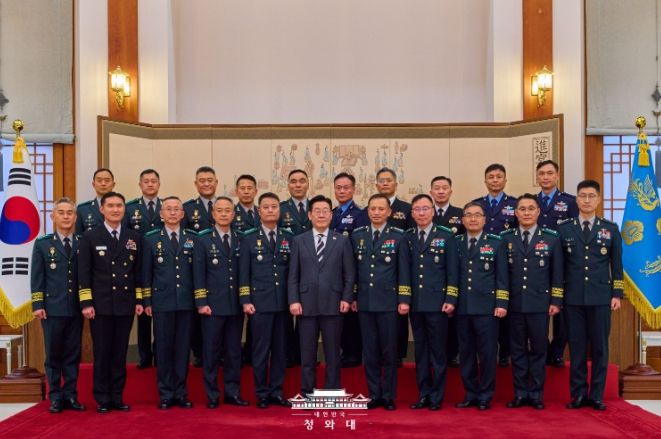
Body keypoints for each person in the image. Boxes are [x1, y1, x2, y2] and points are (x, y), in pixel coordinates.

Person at [558, 180, 623, 411]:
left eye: (591, 196)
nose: (586, 200)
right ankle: (578, 394)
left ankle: (596, 395)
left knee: (599, 348)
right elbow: (559, 267)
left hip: (601, 297)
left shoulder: (610, 228)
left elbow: (616, 264)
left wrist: (617, 293)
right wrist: (558, 296)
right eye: (582, 196)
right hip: (573, 297)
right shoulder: (564, 228)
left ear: (598, 200)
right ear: (576, 200)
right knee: (576, 347)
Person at [78, 191, 143, 413]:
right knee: (103, 353)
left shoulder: (134, 237)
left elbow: (138, 272)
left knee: (119, 353)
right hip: (101, 305)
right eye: (111, 206)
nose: (115, 209)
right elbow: (84, 273)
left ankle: (117, 396)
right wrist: (86, 302)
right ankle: (102, 398)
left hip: (125, 304)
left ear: (125, 209)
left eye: (119, 206)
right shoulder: (90, 237)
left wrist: (139, 299)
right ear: (102, 209)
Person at [501, 194, 563, 410]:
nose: (526, 213)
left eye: (530, 209)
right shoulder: (505, 238)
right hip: (514, 304)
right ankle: (520, 393)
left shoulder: (551, 239)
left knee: (538, 349)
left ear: (538, 212)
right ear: (515, 213)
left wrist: (556, 300)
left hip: (540, 304)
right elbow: (502, 275)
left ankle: (536, 393)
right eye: (522, 209)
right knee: (517, 350)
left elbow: (557, 274)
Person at [288, 195, 356, 395]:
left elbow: (349, 274)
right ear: (310, 215)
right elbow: (293, 275)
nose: (321, 214)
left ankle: (331, 393)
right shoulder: (299, 240)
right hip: (306, 305)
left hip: (334, 305)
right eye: (317, 211)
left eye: (325, 210)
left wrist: (346, 298)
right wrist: (293, 300)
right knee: (307, 355)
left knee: (333, 355)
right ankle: (307, 392)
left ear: (331, 215)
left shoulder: (341, 240)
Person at [352, 194, 411, 411]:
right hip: (365, 302)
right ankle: (374, 394)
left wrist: (404, 299)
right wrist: (353, 297)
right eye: (373, 209)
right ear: (368, 211)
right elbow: (354, 271)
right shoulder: (357, 235)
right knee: (370, 352)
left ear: (389, 212)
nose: (376, 212)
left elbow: (404, 271)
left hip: (389, 303)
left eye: (381, 209)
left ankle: (388, 396)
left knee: (389, 351)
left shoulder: (399, 236)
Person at [193, 196, 249, 409]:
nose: (224, 214)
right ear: (213, 214)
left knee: (234, 352)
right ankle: (212, 395)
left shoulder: (241, 238)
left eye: (228, 210)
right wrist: (201, 302)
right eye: (220, 210)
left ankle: (232, 393)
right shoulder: (203, 239)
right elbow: (199, 274)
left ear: (233, 214)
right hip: (212, 307)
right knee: (211, 352)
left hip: (235, 305)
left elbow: (244, 272)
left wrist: (245, 300)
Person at [31, 197, 85, 413]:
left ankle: (70, 395)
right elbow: (37, 276)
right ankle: (55, 396)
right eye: (61, 213)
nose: (65, 216)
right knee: (53, 355)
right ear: (53, 217)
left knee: (73, 354)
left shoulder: (82, 242)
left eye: (69, 213)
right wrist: (38, 304)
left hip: (76, 308)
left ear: (75, 217)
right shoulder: (43, 244)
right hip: (52, 308)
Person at [239, 192, 293, 408]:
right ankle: (261, 393)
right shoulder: (248, 237)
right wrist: (246, 299)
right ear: (259, 211)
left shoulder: (289, 237)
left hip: (283, 304)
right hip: (259, 304)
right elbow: (244, 272)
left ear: (280, 210)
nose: (270, 210)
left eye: (274, 207)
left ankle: (277, 391)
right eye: (266, 207)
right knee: (260, 351)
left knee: (281, 351)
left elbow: (293, 272)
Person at [141, 196, 195, 409]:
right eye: (168, 209)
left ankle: (180, 393)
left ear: (182, 214)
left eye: (176, 209)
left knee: (183, 349)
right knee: (163, 349)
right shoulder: (151, 239)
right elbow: (146, 273)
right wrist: (147, 300)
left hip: (186, 302)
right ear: (161, 214)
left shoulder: (192, 238)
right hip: (161, 302)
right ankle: (165, 394)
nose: (173, 213)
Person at [454, 202, 508, 411]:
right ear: (463, 220)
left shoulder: (496, 242)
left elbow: (502, 276)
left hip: (487, 308)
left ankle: (485, 394)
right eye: (468, 215)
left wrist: (501, 303)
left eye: (477, 215)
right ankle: (470, 393)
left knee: (487, 353)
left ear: (485, 220)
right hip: (462, 308)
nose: (473, 219)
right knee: (466, 353)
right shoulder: (455, 242)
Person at [406, 194, 458, 411]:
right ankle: (424, 393)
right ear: (412, 213)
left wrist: (451, 298)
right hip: (416, 304)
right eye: (417, 209)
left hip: (438, 303)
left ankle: (437, 396)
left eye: (425, 209)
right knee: (421, 351)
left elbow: (453, 271)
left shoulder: (446, 235)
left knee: (438, 352)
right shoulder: (407, 236)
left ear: (433, 211)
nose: (421, 213)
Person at [473, 163, 517, 368]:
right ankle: (482, 352)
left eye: (499, 176)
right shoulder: (477, 204)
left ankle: (504, 352)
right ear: (485, 181)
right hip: (480, 267)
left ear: (505, 180)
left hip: (508, 264)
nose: (495, 180)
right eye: (491, 177)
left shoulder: (514, 204)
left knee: (504, 309)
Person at [535, 160, 578, 368]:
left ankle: (557, 351)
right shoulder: (530, 201)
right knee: (537, 312)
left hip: (563, 263)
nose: (545, 177)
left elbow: (575, 232)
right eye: (541, 173)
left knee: (562, 311)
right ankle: (541, 349)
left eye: (550, 173)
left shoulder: (569, 201)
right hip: (536, 265)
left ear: (557, 176)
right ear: (537, 177)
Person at [124, 168, 163, 370]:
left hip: (164, 266)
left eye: (153, 181)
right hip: (138, 265)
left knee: (162, 315)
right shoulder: (130, 208)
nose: (150, 184)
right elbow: (125, 236)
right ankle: (144, 356)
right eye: (146, 181)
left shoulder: (168, 207)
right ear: (140, 185)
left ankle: (160, 355)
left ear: (159, 184)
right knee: (143, 314)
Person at [376, 167, 414, 366]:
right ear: (376, 185)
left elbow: (410, 238)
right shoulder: (371, 207)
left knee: (398, 316)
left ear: (395, 184)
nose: (385, 183)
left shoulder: (406, 208)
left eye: (388, 180)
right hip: (377, 270)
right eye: (381, 180)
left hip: (400, 267)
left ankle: (398, 353)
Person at [331, 172, 368, 368]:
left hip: (350, 273)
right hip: (331, 275)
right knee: (336, 316)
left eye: (346, 187)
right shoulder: (331, 213)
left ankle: (352, 354)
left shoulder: (360, 215)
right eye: (338, 187)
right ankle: (341, 351)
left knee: (351, 317)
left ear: (354, 189)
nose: (342, 191)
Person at [182, 166, 218, 367]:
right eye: (202, 180)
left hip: (221, 270)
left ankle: (219, 354)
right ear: (196, 184)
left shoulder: (225, 206)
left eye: (210, 180)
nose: (206, 183)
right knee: (198, 315)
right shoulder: (187, 209)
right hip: (194, 268)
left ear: (216, 182)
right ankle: (199, 353)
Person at [278, 169, 311, 367]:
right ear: (288, 185)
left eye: (302, 181)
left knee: (308, 314)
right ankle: (288, 355)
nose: (298, 185)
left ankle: (304, 356)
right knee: (286, 314)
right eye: (293, 181)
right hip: (286, 268)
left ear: (308, 183)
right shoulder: (281, 209)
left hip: (312, 269)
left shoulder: (316, 207)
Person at [430, 175, 464, 367]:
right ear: (431, 192)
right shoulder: (424, 212)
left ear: (451, 191)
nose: (441, 191)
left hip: (452, 271)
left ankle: (452, 353)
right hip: (430, 273)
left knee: (452, 316)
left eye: (444, 188)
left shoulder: (460, 214)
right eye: (437, 188)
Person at [75, 168, 115, 234]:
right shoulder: (82, 209)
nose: (103, 184)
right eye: (99, 181)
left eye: (107, 181)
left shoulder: (122, 209)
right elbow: (78, 236)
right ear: (93, 184)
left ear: (113, 185)